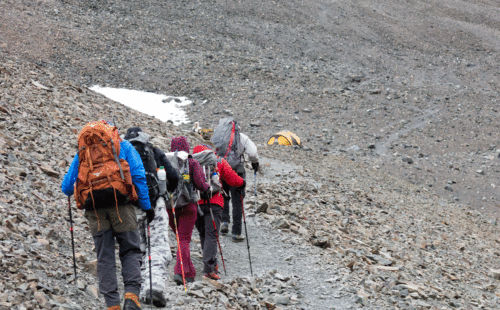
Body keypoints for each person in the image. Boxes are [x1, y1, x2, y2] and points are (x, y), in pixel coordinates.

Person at [61, 120, 153, 310]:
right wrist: (146, 205)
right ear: (112, 132)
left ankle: (112, 305)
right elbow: (138, 175)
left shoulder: (84, 151)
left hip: (94, 208)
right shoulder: (122, 145)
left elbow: (66, 187)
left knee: (105, 255)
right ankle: (131, 297)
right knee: (130, 249)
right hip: (121, 206)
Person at [124, 127, 180, 308]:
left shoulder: (122, 151)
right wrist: (165, 193)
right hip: (155, 205)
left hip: (129, 209)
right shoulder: (153, 150)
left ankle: (136, 291)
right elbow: (173, 176)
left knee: (135, 249)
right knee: (156, 246)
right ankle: (154, 288)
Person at [193, 144, 245, 280]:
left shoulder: (191, 161)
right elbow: (231, 177)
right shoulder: (218, 161)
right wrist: (242, 183)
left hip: (196, 203)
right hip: (214, 202)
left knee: (203, 234)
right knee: (211, 234)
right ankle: (209, 269)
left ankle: (210, 263)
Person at [167, 136, 210, 285]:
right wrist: (208, 187)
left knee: (180, 239)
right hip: (187, 205)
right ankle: (180, 273)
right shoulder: (191, 162)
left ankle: (189, 272)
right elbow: (200, 184)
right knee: (184, 239)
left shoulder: (165, 162)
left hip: (170, 206)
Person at [220, 131, 259, 242]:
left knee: (224, 196)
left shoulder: (220, 135)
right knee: (237, 201)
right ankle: (236, 233)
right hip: (237, 171)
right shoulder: (242, 137)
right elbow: (252, 152)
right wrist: (255, 163)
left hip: (222, 169)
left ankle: (224, 222)